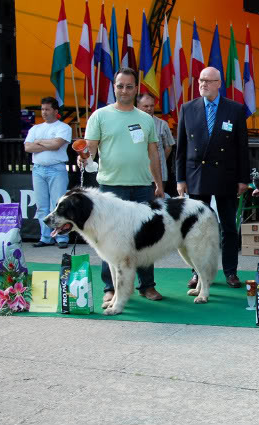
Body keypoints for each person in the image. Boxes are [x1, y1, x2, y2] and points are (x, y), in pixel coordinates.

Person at [79, 67, 164, 304]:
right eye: (120, 86)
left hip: (142, 187)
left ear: (136, 89)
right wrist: (85, 157)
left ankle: (147, 285)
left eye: (129, 86)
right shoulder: (99, 116)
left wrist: (158, 184)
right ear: (114, 87)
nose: (124, 90)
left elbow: (153, 154)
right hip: (111, 188)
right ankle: (111, 288)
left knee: (146, 238)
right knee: (109, 241)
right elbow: (91, 148)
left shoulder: (146, 119)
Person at [176, 66, 250, 289]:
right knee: (197, 228)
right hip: (197, 175)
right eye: (201, 80)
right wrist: (180, 179)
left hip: (226, 176)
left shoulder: (235, 110)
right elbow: (181, 148)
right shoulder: (188, 108)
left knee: (228, 227)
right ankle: (198, 272)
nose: (203, 84)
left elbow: (241, 149)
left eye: (208, 81)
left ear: (219, 84)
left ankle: (230, 272)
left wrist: (243, 179)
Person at [24, 96, 72, 249]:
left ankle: (61, 237)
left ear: (55, 111)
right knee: (42, 206)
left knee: (58, 205)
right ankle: (45, 237)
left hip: (56, 169)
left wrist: (38, 142)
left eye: (47, 109)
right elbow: (27, 147)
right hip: (38, 170)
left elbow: (57, 145)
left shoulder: (64, 127)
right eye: (42, 109)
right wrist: (47, 144)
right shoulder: (35, 128)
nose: (44, 112)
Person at [137, 93, 176, 191]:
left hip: (159, 175)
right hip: (137, 175)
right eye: (145, 106)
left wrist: (159, 160)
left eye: (151, 106)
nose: (149, 109)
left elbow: (168, 147)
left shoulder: (162, 124)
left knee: (157, 205)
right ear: (138, 106)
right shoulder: (132, 123)